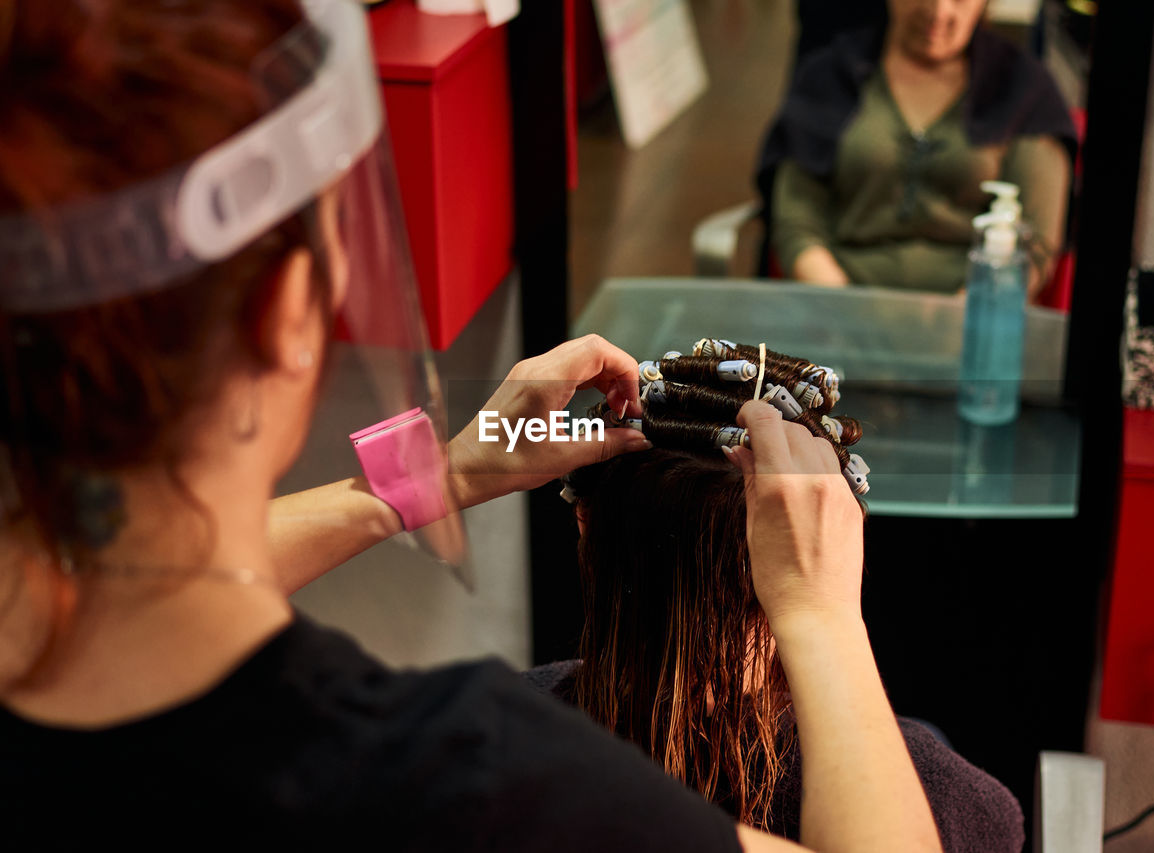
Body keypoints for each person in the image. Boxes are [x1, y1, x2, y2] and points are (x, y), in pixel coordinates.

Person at [0, 2, 942, 850]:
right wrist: (821, 618)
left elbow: (97, 590)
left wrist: (438, 477)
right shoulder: (463, 785)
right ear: (290, 313)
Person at [526, 349, 1024, 852]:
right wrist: (823, 613)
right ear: (832, 540)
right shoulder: (954, 808)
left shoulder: (487, 741)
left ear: (583, 519)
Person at [759, 0, 1077, 296]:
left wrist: (967, 321)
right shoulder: (828, 77)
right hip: (838, 312)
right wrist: (845, 313)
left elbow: (1035, 242)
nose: (938, 12)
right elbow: (797, 221)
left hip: (972, 322)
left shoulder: (1025, 91)